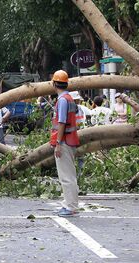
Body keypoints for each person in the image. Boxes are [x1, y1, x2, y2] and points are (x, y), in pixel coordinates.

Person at [50, 70, 80, 217]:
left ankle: (70, 206)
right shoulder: (69, 98)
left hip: (65, 142)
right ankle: (68, 204)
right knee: (69, 175)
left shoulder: (62, 100)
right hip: (70, 140)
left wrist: (58, 143)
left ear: (54, 84)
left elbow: (61, 122)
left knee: (66, 176)